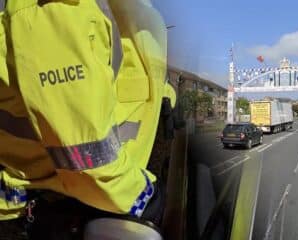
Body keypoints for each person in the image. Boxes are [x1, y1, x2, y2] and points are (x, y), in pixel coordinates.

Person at [0, 0, 175, 238]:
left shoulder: (126, 7)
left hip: (98, 199)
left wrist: (165, 97)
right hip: (57, 211)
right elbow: (84, 158)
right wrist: (143, 196)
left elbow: (129, 68)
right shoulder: (59, 8)